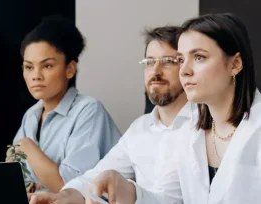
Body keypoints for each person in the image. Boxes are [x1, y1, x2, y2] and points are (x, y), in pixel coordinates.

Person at [87, 13, 261, 204]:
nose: (184, 71)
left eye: (199, 57)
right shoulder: (190, 131)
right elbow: (171, 200)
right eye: (181, 60)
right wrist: (129, 191)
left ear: (235, 64)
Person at [29, 26, 197, 204]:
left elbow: (173, 200)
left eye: (168, 61)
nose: (155, 71)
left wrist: (128, 190)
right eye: (149, 62)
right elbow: (94, 176)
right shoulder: (140, 128)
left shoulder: (204, 125)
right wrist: (61, 197)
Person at [6, 16, 121, 193]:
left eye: (47, 66)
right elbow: (16, 178)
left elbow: (68, 187)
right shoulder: (31, 115)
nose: (36, 75)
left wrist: (26, 146)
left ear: (70, 69)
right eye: (29, 67)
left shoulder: (88, 110)